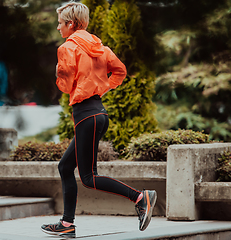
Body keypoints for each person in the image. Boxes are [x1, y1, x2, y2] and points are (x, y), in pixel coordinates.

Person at [40, 2, 157, 238]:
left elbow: (64, 85)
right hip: (97, 114)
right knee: (65, 167)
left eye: (61, 23)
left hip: (87, 115)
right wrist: (101, 89)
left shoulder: (67, 48)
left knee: (89, 178)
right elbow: (120, 71)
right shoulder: (100, 47)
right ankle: (67, 224)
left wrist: (59, 73)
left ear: (70, 24)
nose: (57, 27)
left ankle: (140, 197)